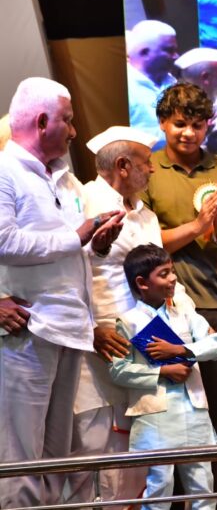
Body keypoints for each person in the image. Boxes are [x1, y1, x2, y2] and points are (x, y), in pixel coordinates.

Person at [0, 77, 124, 507]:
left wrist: (96, 244)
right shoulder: (5, 172)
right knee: (21, 455)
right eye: (67, 121)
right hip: (28, 330)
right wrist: (77, 236)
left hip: (69, 328)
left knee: (57, 457)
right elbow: (3, 241)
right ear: (41, 122)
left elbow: (67, 251)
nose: (73, 131)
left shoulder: (64, 180)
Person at [140, 82, 217, 499]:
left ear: (208, 126)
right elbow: (145, 246)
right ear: (163, 123)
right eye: (179, 124)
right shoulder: (147, 167)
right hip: (162, 308)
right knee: (170, 414)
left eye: (197, 125)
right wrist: (197, 226)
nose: (188, 133)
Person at [65, 126, 160, 507]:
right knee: (92, 445)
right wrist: (91, 329)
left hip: (140, 344)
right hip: (93, 346)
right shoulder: (83, 202)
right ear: (123, 165)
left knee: (135, 447)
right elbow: (66, 276)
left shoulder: (145, 214)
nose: (152, 170)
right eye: (146, 162)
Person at [111, 244, 217, 510]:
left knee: (203, 487)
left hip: (194, 411)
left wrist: (180, 350)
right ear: (142, 283)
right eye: (164, 274)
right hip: (157, 416)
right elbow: (118, 370)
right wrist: (162, 370)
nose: (173, 278)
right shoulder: (128, 322)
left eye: (172, 271)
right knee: (159, 488)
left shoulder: (185, 314)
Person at [126, 20, 179, 146]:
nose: (176, 56)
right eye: (170, 50)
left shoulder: (172, 82)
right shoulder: (125, 87)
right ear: (145, 52)